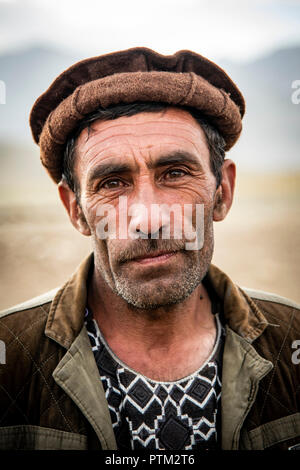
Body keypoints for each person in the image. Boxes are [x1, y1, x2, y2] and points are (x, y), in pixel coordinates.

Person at [0, 47, 299, 451]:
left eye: (175, 174)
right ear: (76, 210)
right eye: (112, 183)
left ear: (222, 192)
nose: (148, 218)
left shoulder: (292, 343)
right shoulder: (10, 359)